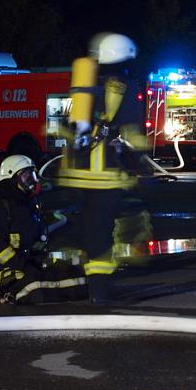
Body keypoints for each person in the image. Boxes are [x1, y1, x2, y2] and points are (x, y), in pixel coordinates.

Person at [55, 32, 152, 305]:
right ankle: (99, 292)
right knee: (105, 234)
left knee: (88, 232)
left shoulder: (84, 88)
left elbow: (67, 128)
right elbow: (132, 135)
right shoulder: (123, 88)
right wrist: (142, 164)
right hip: (106, 179)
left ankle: (86, 285)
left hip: (76, 178)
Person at [0, 154, 88, 305]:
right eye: (27, 176)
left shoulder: (28, 204)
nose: (32, 181)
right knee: (39, 288)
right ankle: (13, 294)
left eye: (32, 175)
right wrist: (25, 266)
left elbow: (37, 239)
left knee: (79, 277)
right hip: (9, 273)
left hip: (32, 265)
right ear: (12, 178)